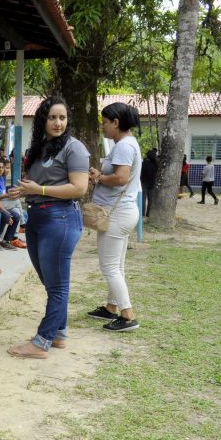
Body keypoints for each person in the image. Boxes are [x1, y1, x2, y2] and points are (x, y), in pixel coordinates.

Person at [6, 96, 89, 359]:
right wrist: (20, 192)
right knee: (50, 282)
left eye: (62, 117)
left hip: (61, 219)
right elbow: (36, 184)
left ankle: (42, 341)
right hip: (37, 217)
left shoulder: (74, 148)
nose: (58, 122)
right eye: (52, 117)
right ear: (43, 119)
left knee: (57, 286)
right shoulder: (42, 147)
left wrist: (38, 189)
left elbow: (79, 188)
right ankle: (60, 332)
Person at [87, 102, 142, 332]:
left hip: (117, 214)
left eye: (105, 122)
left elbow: (120, 178)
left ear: (116, 123)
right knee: (116, 264)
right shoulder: (126, 144)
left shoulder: (123, 146)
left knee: (109, 266)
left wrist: (99, 177)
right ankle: (111, 307)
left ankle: (127, 315)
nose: (103, 126)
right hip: (124, 211)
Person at [139, 148, 157, 217]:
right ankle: (148, 214)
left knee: (143, 199)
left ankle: (142, 214)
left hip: (144, 183)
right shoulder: (156, 164)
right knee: (151, 199)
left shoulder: (144, 163)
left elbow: (141, 172)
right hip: (152, 183)